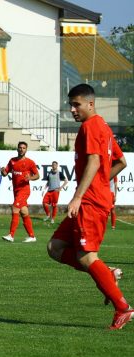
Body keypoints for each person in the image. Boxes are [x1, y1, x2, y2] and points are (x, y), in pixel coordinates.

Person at [47, 83, 132, 330]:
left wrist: (78, 196)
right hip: (93, 198)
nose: (72, 109)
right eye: (70, 105)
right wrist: (101, 183)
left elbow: (95, 161)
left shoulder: (91, 126)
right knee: (55, 247)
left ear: (90, 104)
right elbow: (121, 161)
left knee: (86, 256)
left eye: (77, 104)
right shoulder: (102, 125)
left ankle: (123, 308)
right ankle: (107, 273)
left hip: (91, 203)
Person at [1, 141, 40, 243]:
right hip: (16, 190)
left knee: (15, 208)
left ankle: (11, 235)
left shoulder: (30, 162)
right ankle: (32, 236)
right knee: (24, 212)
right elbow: (5, 173)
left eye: (24, 148)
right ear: (17, 149)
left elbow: (37, 175)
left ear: (26, 150)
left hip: (24, 190)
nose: (22, 149)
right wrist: (2, 171)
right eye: (20, 147)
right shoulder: (12, 161)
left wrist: (30, 178)